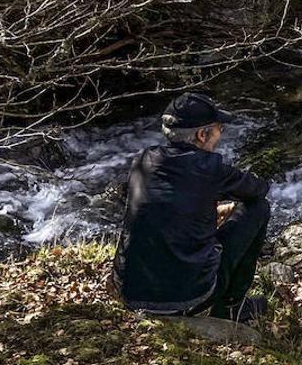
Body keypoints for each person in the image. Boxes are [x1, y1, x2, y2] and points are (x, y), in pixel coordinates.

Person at [112, 92, 271, 322]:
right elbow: (258, 189)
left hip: (131, 292)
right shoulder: (211, 168)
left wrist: (207, 210)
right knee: (258, 208)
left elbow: (159, 207)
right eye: (219, 130)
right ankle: (231, 306)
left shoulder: (143, 160)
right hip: (188, 296)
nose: (220, 135)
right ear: (201, 134)